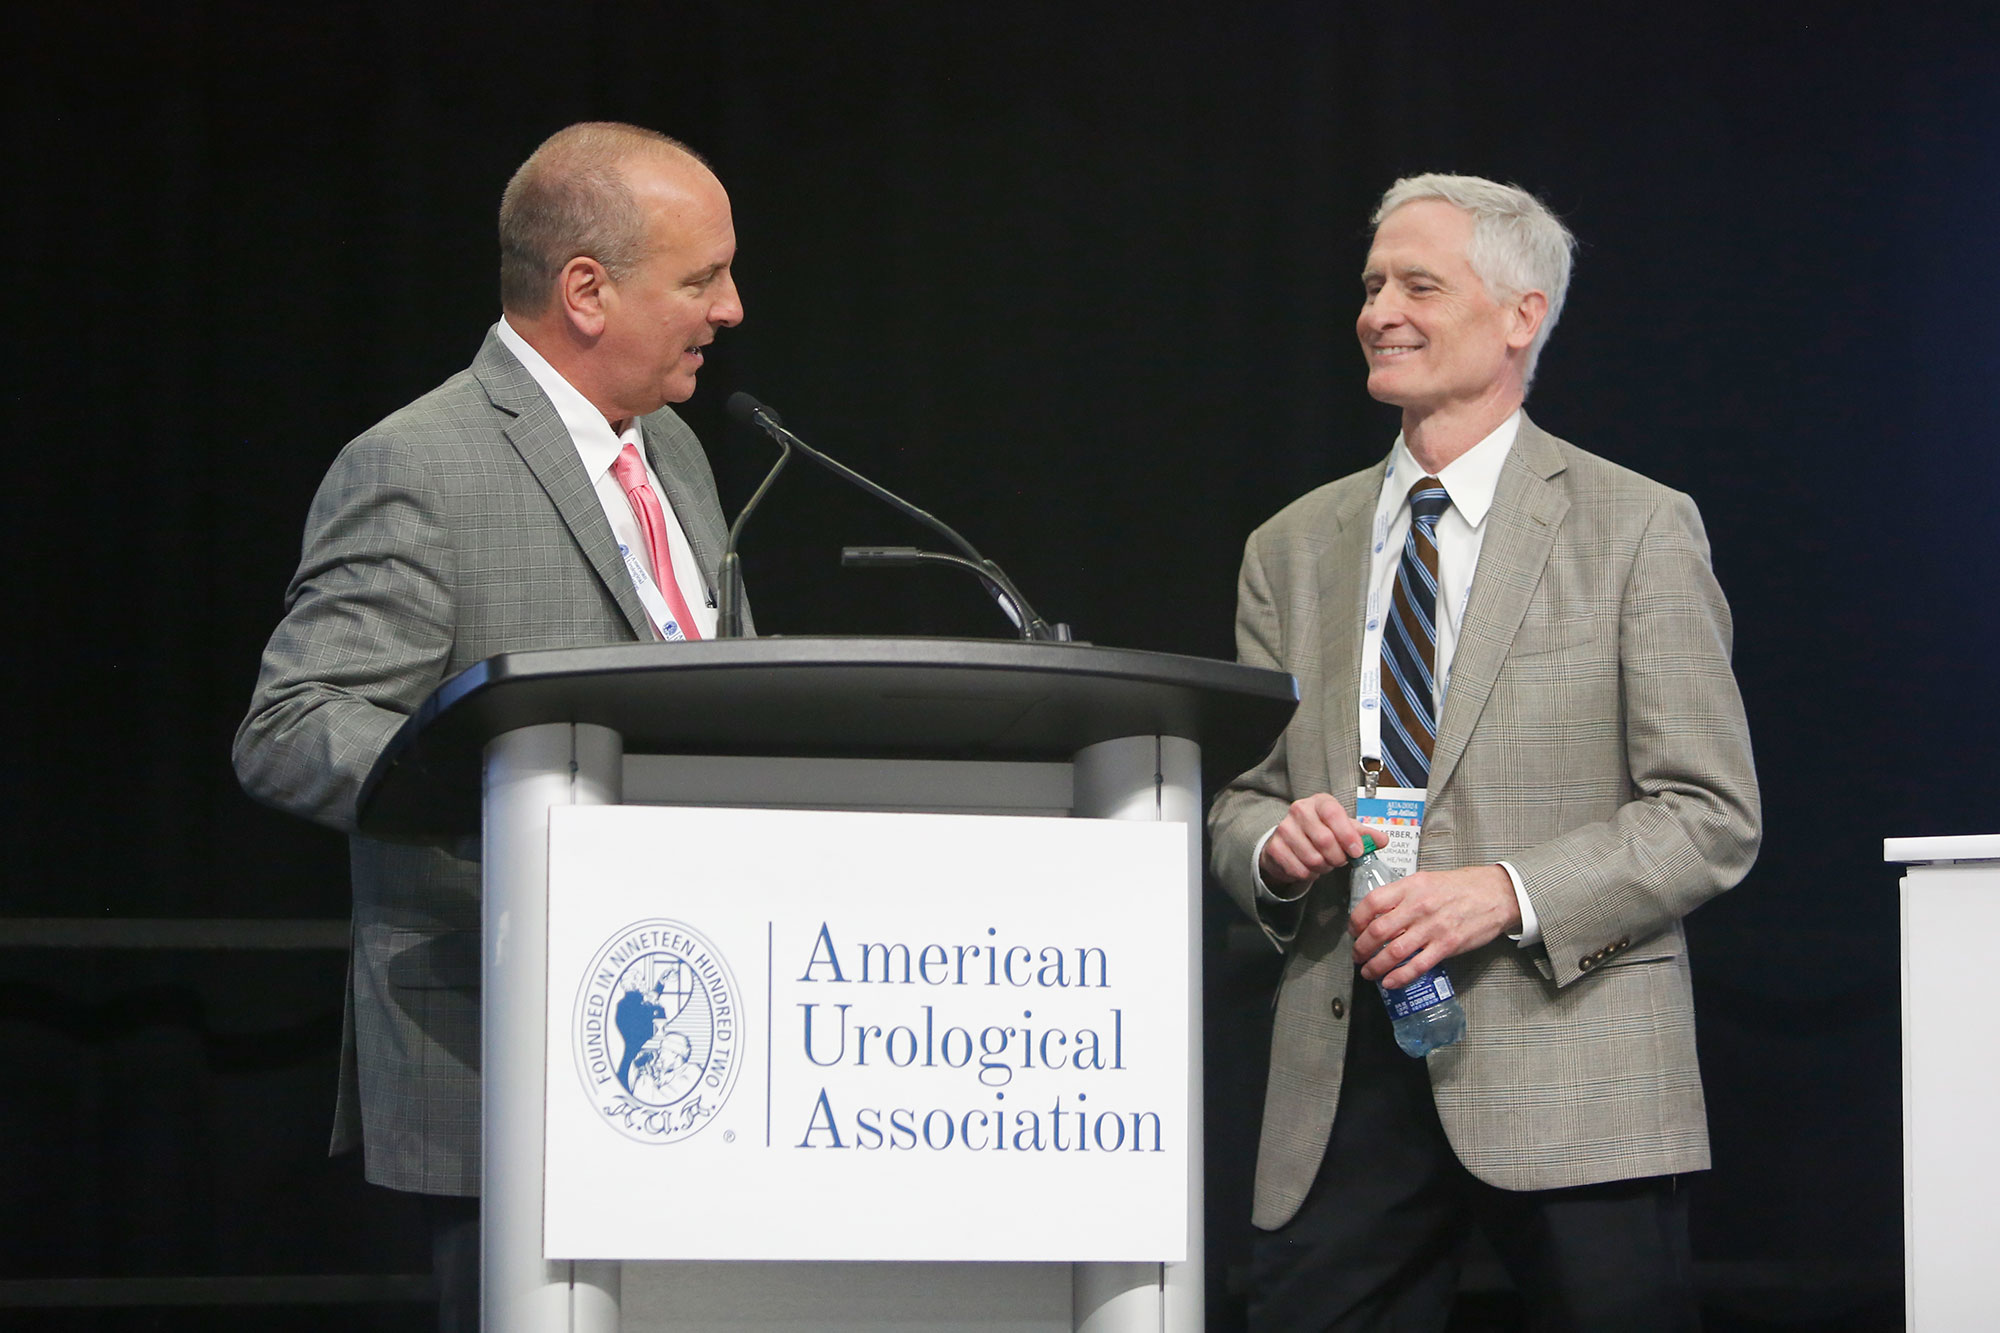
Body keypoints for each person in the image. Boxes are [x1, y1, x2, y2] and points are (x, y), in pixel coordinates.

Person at [1206, 174, 1760, 1330]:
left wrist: (1499, 893)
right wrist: (1275, 845)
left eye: (1417, 283)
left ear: (1522, 314)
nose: (1379, 311)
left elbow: (1707, 813)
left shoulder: (1636, 526)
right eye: (1369, 286)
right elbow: (1242, 802)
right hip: (1345, 1062)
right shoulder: (1289, 547)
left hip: (1571, 1053)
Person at [232, 121, 745, 1330]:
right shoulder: (418, 463)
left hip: (701, 1036)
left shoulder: (674, 452)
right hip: (505, 1051)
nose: (729, 308)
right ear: (584, 290)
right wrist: (517, 786)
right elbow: (292, 723)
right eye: (700, 277)